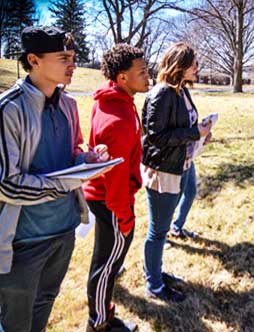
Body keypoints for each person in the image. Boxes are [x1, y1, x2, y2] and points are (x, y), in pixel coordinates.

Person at [0, 26, 108, 332]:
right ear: (33, 60)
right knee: (15, 322)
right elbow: (6, 184)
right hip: (23, 241)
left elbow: (70, 155)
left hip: (65, 230)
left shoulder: (69, 105)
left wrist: (87, 159)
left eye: (73, 56)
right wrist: (64, 183)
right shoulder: (8, 110)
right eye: (64, 57)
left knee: (45, 302)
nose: (73, 64)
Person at [83, 44, 150, 332]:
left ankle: (104, 313)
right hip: (112, 202)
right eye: (143, 72)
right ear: (122, 78)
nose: (150, 77)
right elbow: (116, 180)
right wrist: (124, 217)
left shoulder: (115, 98)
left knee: (106, 262)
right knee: (107, 266)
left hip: (109, 199)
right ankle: (98, 324)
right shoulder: (119, 121)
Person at [141, 42, 211, 302]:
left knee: (185, 199)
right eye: (193, 64)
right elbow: (156, 137)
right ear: (179, 65)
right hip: (164, 170)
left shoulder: (181, 91)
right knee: (158, 231)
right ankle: (154, 284)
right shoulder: (162, 93)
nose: (197, 68)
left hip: (182, 163)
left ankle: (154, 271)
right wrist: (194, 133)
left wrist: (201, 135)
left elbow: (184, 126)